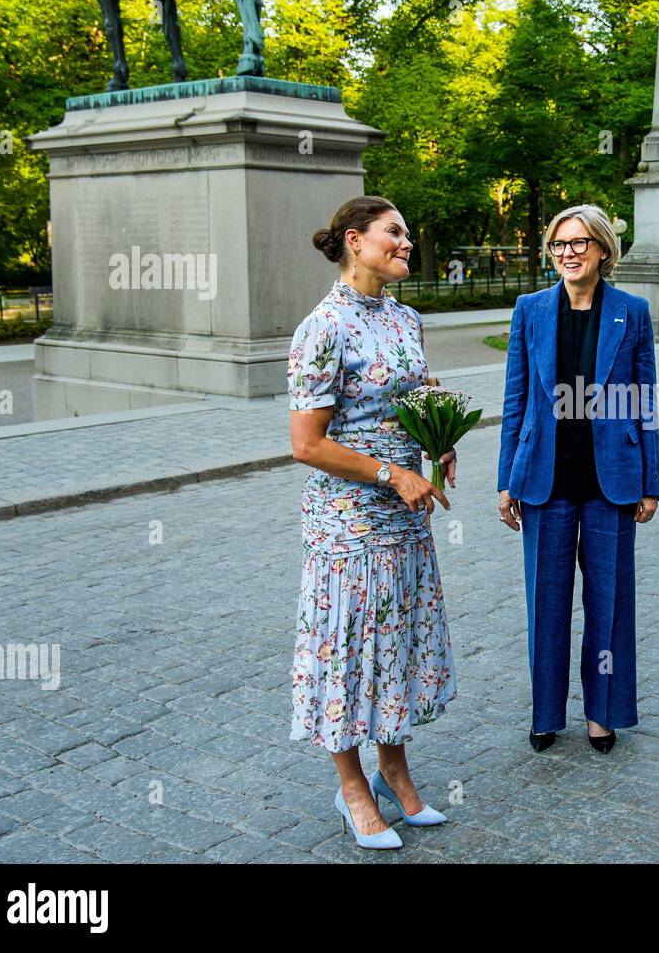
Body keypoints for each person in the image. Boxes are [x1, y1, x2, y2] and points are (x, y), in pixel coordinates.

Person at [288, 196, 456, 850]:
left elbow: (412, 394)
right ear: (355, 240)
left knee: (396, 645)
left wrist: (438, 438)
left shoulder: (407, 318)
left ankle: (395, 772)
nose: (406, 242)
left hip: (406, 522)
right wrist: (392, 473)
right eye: (395, 233)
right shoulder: (322, 327)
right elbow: (306, 443)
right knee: (350, 651)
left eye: (408, 234)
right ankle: (352, 785)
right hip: (349, 526)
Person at [497, 204, 659, 754]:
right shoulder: (530, 310)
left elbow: (645, 402)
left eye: (580, 243)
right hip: (544, 479)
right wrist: (506, 479)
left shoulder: (631, 312)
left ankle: (603, 712)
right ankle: (546, 713)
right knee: (546, 604)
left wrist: (650, 481)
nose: (569, 252)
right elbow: (515, 399)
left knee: (609, 603)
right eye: (560, 244)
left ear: (603, 251)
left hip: (610, 480)